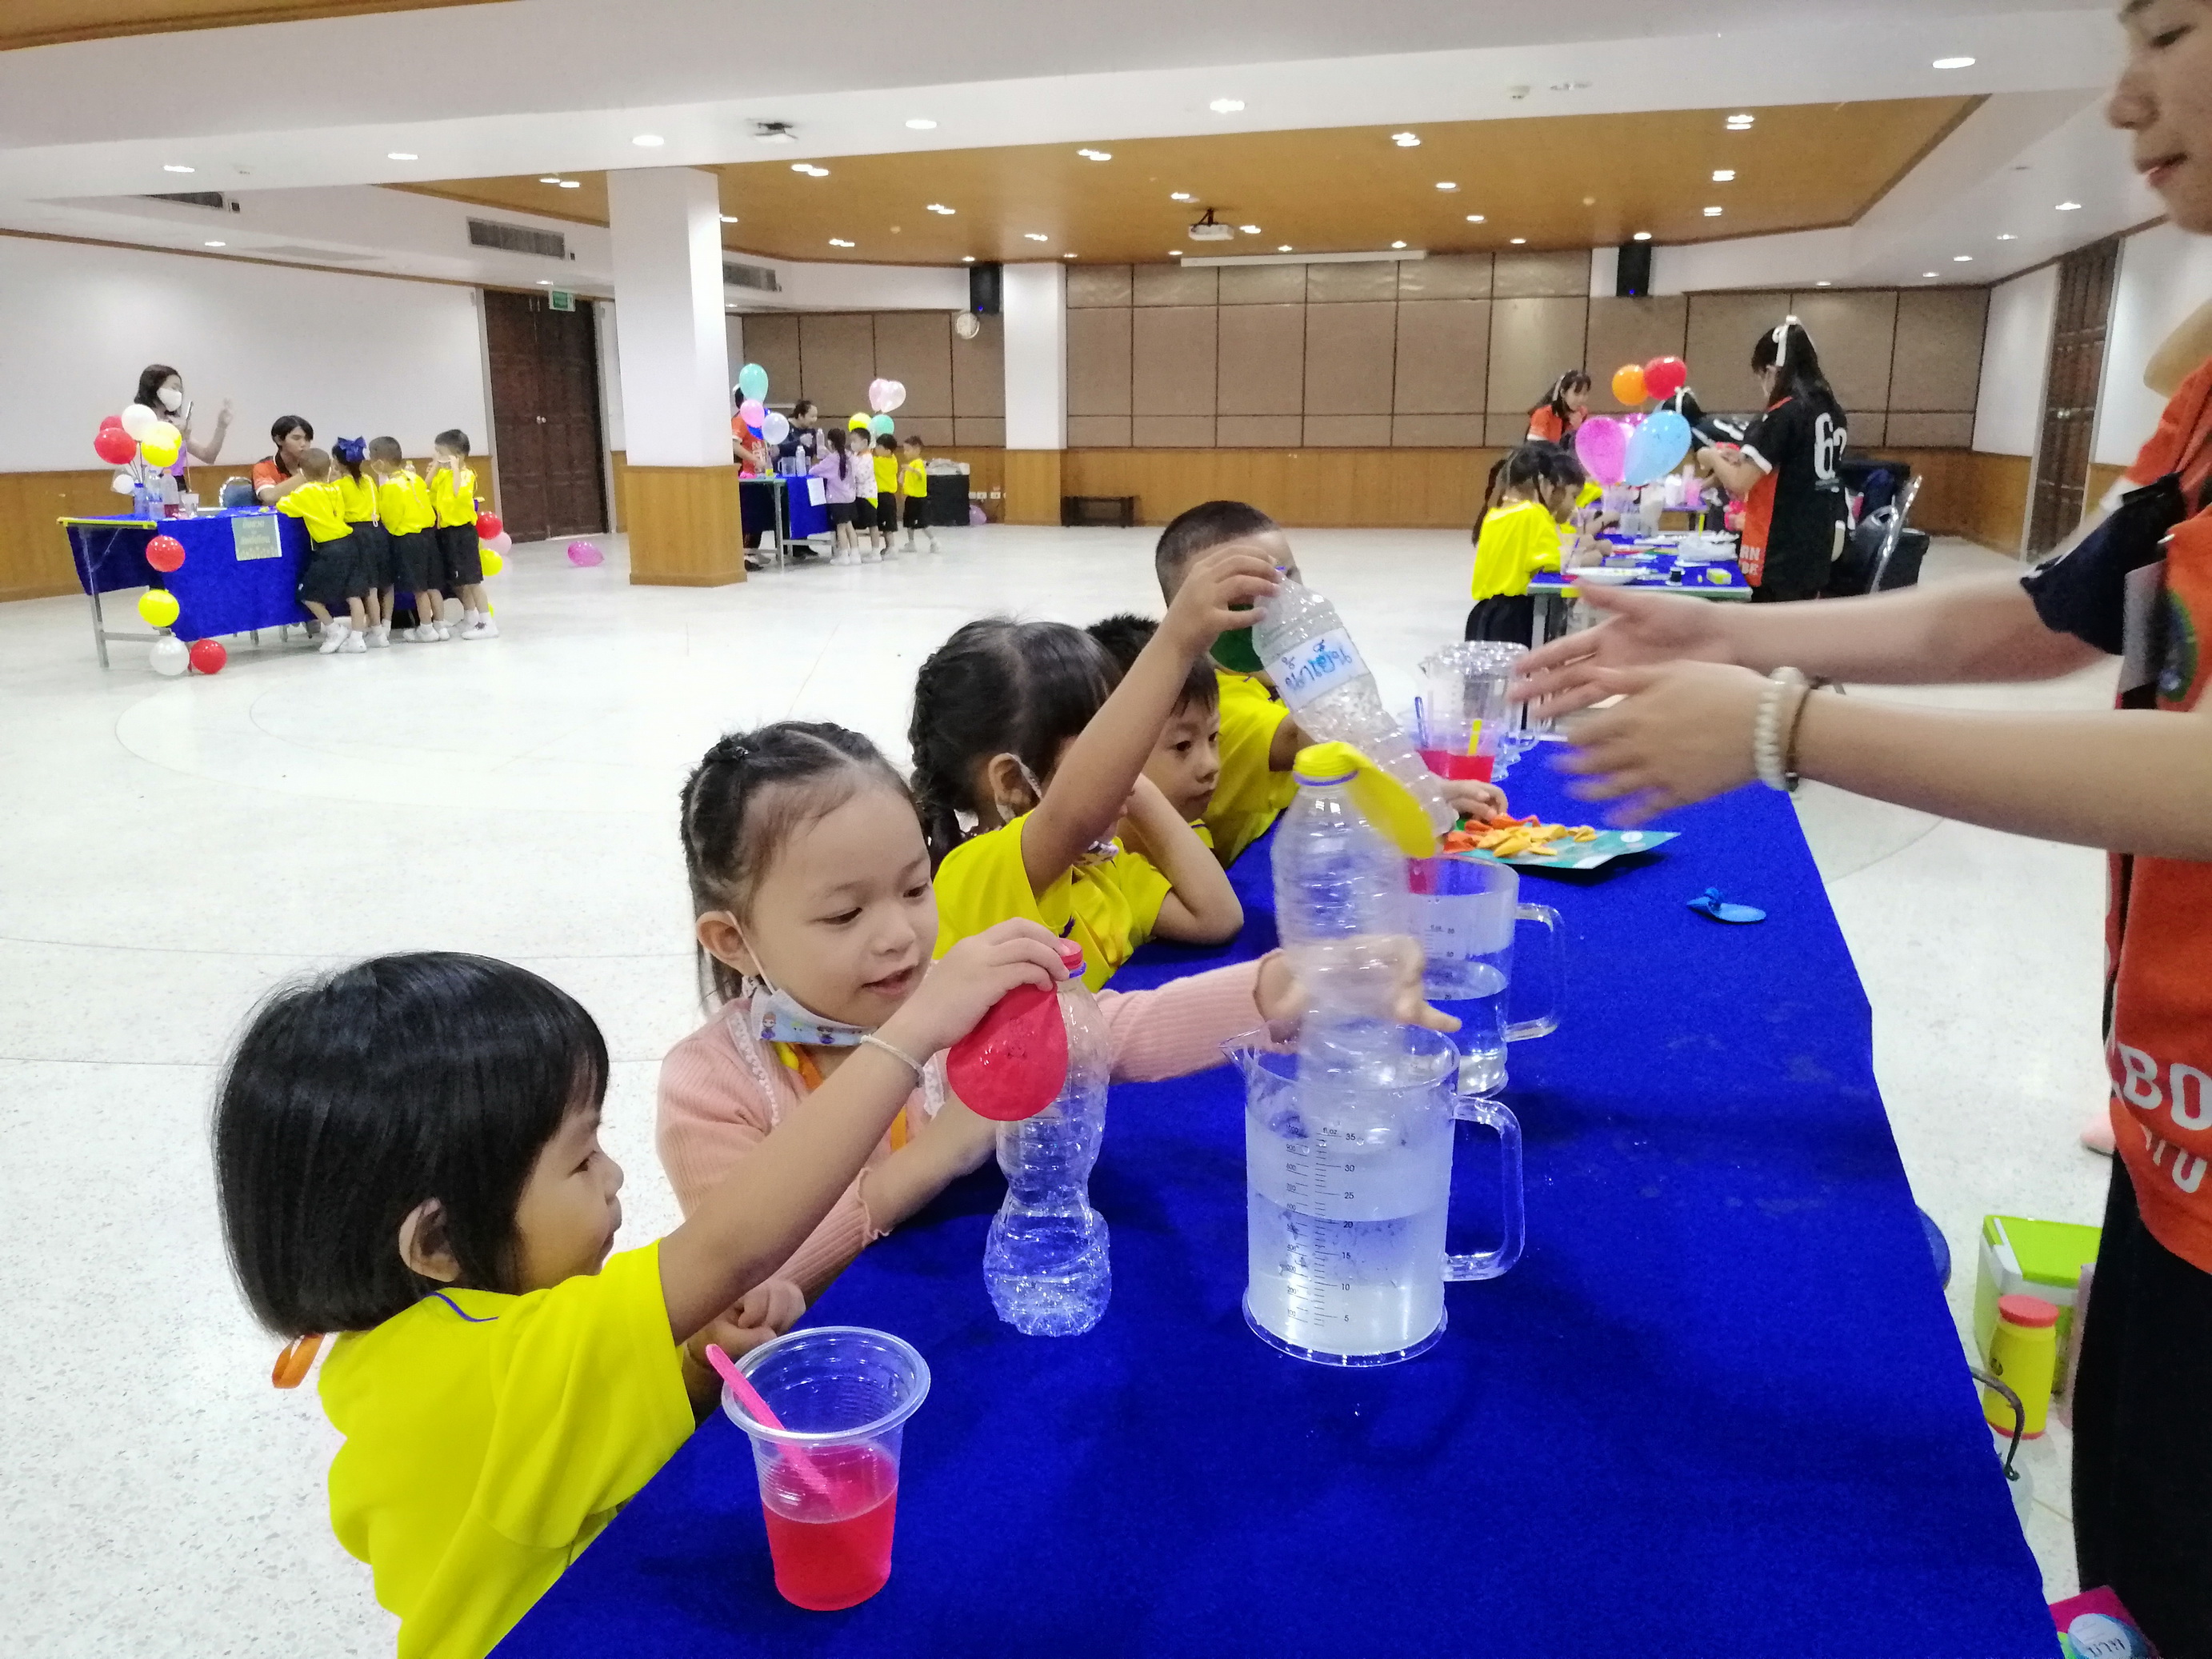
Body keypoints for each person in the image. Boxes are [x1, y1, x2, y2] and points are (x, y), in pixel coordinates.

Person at [1512, 8, 2211, 1641]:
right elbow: (2034, 617)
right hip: (2173, 1127)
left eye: (2171, 29)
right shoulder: (2199, 404)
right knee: (2144, 1545)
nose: (2121, 95)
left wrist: (1782, 727)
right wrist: (1728, 634)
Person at [214, 930, 1070, 1657]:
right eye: (581, 1158)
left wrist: (693, 1366)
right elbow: (730, 1247)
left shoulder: (407, 1356)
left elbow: (552, 1465)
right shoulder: (496, 1365)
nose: (615, 1176)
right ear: (437, 1243)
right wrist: (910, 1034)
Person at [652, 724, 1445, 1299]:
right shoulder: (711, 1086)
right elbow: (736, 1276)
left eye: (914, 888)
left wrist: (1284, 984)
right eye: (843, 915)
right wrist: (930, 1159)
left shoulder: (957, 988)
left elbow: (1113, 1030)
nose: (897, 935)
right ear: (732, 939)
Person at [911, 554, 1267, 989]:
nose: (1126, 760)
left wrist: (1136, 788)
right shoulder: (975, 872)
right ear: (1013, 782)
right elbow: (1071, 815)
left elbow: (1218, 917)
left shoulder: (1100, 868)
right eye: (1106, 747)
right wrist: (1176, 642)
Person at [1152, 501, 1509, 865]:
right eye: (1245, 595)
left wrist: (1432, 788)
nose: (1279, 602)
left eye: (1287, 579)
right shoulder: (1211, 705)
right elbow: (1328, 733)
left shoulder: (1272, 677)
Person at [1692, 319, 1850, 603]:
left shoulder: (1782, 414)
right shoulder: (1832, 411)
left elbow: (1739, 484)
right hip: (1816, 546)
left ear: (1772, 370)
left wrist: (1711, 455)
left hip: (1778, 549)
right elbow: (1795, 464)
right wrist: (1742, 458)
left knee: (1765, 625)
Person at [1086, 614, 1223, 834]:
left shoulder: (1191, 829)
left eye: (1213, 736)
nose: (1211, 765)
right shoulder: (1084, 854)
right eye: (1183, 745)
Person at [1466, 442, 1591, 644]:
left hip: (1484, 614)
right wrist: (1589, 558)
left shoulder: (1493, 515)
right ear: (1543, 482)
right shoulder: (1533, 513)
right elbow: (1557, 562)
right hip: (1515, 616)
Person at [278, 447, 368, 654]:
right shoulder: (335, 489)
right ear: (329, 469)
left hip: (330, 549)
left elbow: (283, 505)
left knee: (307, 594)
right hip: (350, 543)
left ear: (302, 472)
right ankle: (357, 639)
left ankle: (334, 629)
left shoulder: (305, 492)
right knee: (354, 594)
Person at [368, 437, 447, 643]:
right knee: (433, 585)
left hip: (408, 539)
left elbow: (390, 518)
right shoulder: (415, 478)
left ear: (380, 462)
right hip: (428, 535)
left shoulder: (390, 487)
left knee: (419, 588)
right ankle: (440, 626)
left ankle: (426, 629)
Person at [427, 430, 496, 640]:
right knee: (458, 581)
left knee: (473, 580)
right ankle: (470, 616)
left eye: (442, 453)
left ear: (457, 456)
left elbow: (457, 493)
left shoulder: (467, 475)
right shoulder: (443, 474)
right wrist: (435, 467)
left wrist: (456, 468)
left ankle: (487, 622)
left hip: (463, 533)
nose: (438, 457)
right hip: (446, 531)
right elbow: (426, 488)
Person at [130, 363, 231, 489]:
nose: (178, 394)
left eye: (180, 390)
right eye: (174, 388)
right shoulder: (137, 422)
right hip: (149, 487)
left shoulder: (175, 425)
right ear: (153, 387)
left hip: (177, 485)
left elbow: (208, 456)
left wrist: (221, 427)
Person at [330, 438, 390, 649]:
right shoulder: (369, 481)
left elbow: (336, 514)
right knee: (376, 585)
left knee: (366, 587)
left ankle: (377, 631)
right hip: (376, 532)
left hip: (356, 534)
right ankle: (378, 630)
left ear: (338, 462)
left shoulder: (337, 486)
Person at [808, 430, 858, 562]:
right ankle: (855, 555)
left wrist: (826, 456)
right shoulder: (849, 455)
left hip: (837, 498)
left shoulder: (831, 459)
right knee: (850, 526)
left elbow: (814, 471)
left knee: (840, 528)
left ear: (830, 442)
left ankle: (843, 556)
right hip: (850, 497)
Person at [252, 415, 314, 505]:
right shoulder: (264, 467)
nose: (304, 444)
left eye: (308, 439)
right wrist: (307, 474)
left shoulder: (317, 464)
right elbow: (269, 497)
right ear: (278, 440)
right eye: (296, 438)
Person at [1526, 370, 1590, 446]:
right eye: (1576, 393)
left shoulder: (1582, 413)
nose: (1581, 399)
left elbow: (1587, 448)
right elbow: (1535, 449)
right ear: (1563, 393)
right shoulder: (1543, 414)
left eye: (1585, 394)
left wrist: (1579, 430)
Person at [897, 434, 938, 554]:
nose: (905, 453)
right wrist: (903, 474)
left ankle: (934, 541)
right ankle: (911, 543)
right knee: (909, 523)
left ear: (917, 450)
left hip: (919, 499)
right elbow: (902, 481)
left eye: (908, 450)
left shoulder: (918, 463)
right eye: (904, 450)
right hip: (910, 498)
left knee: (923, 524)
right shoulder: (910, 465)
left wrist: (911, 470)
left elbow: (921, 474)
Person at [850, 427, 886, 561]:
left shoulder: (868, 458)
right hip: (857, 495)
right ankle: (854, 550)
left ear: (864, 442)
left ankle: (875, 552)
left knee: (872, 524)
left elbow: (862, 476)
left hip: (868, 496)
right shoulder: (855, 456)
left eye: (855, 441)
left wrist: (852, 470)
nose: (852, 444)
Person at [872, 434, 901, 554]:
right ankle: (889, 547)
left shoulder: (880, 462)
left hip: (884, 497)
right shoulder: (893, 459)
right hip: (889, 497)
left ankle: (891, 548)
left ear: (888, 450)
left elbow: (869, 461)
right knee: (886, 526)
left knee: (887, 526)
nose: (876, 449)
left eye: (879, 447)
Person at [776, 399, 824, 468]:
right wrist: (799, 441)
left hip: (805, 468)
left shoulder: (811, 431)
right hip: (786, 468)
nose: (814, 420)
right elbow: (781, 448)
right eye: (812, 416)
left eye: (816, 416)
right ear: (801, 416)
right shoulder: (785, 427)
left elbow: (817, 452)